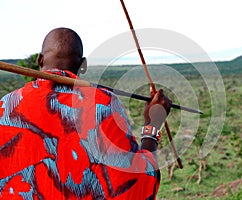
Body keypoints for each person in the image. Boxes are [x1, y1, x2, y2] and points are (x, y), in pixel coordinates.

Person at [0, 27, 172, 199]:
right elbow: (136, 186)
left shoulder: (5, 106)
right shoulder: (103, 106)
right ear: (83, 65)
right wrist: (153, 125)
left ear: (39, 60)